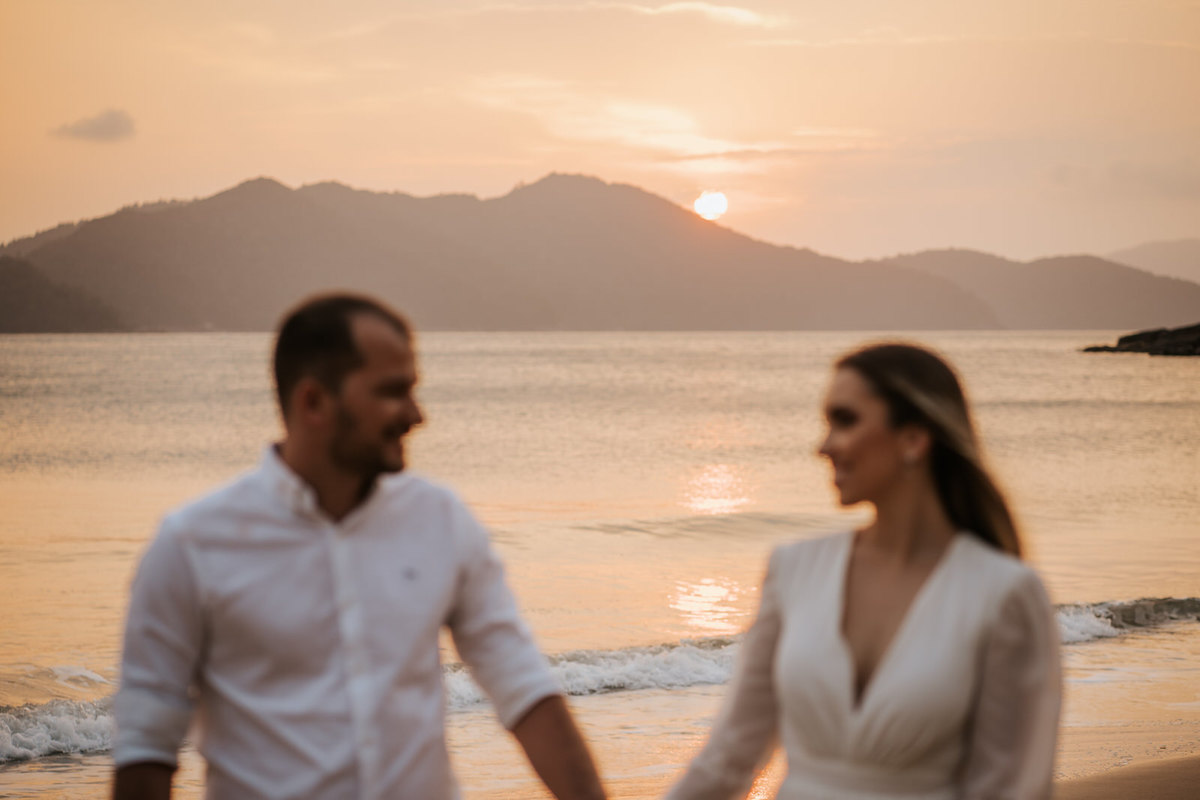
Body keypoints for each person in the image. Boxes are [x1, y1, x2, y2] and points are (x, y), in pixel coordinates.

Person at [111, 294, 607, 800]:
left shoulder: (441, 520)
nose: (416, 414)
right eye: (393, 392)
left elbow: (524, 689)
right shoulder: (193, 545)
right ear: (314, 403)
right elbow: (146, 746)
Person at [666, 343, 1061, 800]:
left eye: (845, 420)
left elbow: (1012, 789)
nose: (823, 446)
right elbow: (727, 759)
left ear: (914, 438)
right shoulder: (794, 570)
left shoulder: (1004, 593)